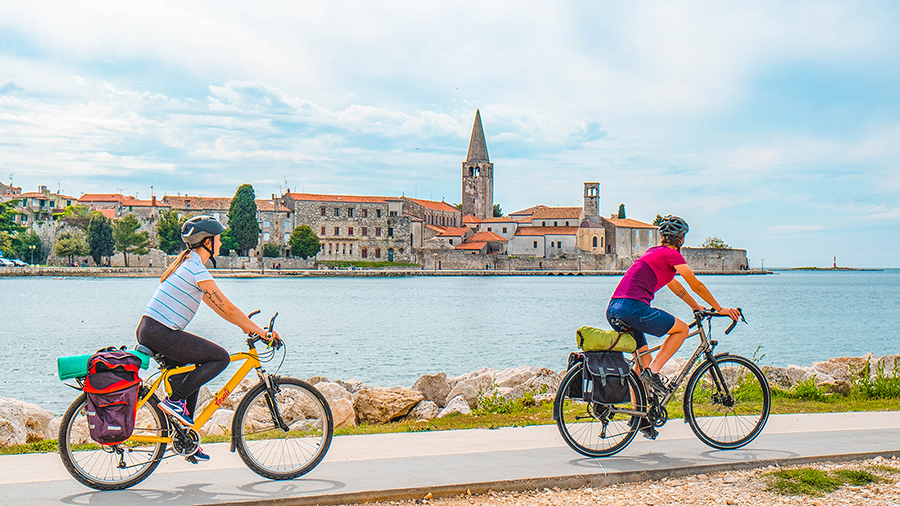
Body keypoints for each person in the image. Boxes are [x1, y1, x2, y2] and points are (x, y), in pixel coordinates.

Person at [135, 215, 279, 462]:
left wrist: (246, 326)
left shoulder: (187, 265)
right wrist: (260, 332)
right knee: (219, 357)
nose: (221, 243)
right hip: (159, 332)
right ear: (207, 242)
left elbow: (222, 309)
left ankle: (186, 437)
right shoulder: (195, 269)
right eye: (218, 238)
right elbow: (228, 309)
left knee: (191, 371)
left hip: (152, 329)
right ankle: (174, 401)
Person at [606, 215, 740, 438]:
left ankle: (639, 417)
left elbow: (677, 287)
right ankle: (654, 373)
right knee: (681, 329)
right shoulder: (671, 254)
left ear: (662, 237)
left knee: (642, 362)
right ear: (682, 239)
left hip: (614, 308)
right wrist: (718, 308)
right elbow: (694, 282)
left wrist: (696, 306)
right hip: (633, 308)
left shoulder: (654, 254)